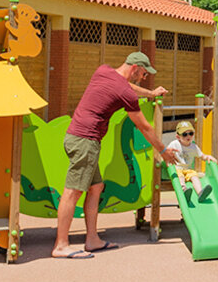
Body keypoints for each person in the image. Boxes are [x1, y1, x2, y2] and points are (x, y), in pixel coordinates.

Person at [52, 51, 179, 258]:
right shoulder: (125, 93)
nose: (144, 78)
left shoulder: (104, 71)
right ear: (135, 68)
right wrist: (163, 151)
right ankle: (61, 245)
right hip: (85, 140)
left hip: (79, 137)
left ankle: (92, 239)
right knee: (73, 191)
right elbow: (144, 127)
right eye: (144, 74)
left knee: (95, 187)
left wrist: (150, 93)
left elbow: (128, 86)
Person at [165, 120, 216, 201]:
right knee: (180, 177)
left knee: (194, 176)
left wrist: (208, 157)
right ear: (178, 137)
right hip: (177, 169)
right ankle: (184, 190)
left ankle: (200, 193)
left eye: (191, 133)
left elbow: (202, 156)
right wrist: (167, 162)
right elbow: (166, 152)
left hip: (187, 170)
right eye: (184, 134)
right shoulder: (174, 144)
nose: (188, 136)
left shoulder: (193, 147)